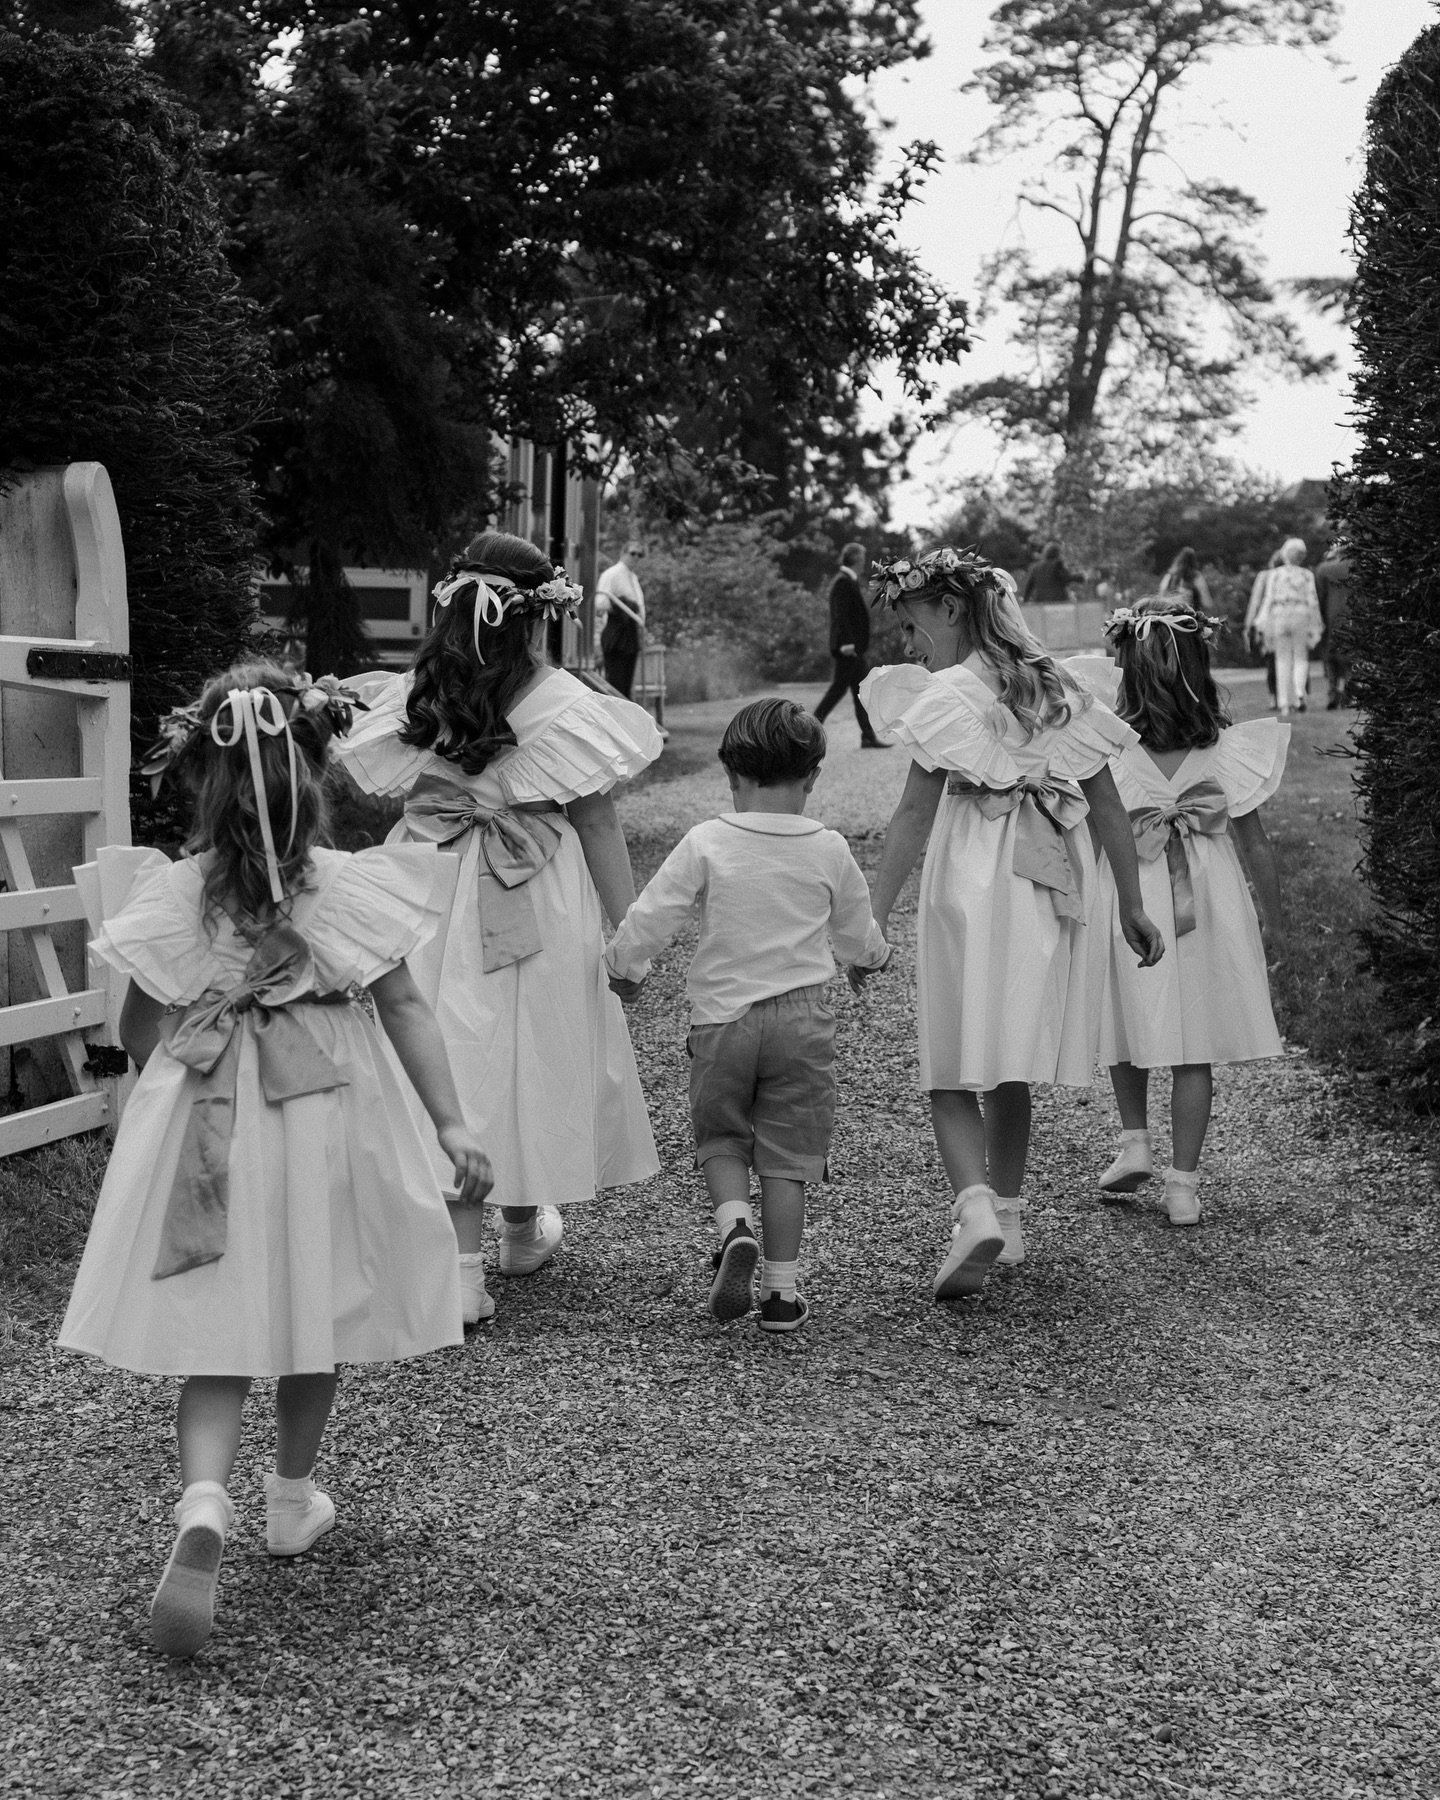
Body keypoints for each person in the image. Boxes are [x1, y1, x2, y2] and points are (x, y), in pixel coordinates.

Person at [58, 663, 494, 1659]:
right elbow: (406, 1008)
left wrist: (164, 1082)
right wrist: (452, 1126)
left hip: (209, 1118)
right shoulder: (347, 887)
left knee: (217, 1326)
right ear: (313, 769)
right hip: (323, 1114)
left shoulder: (177, 894)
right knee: (315, 1305)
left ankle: (204, 1499)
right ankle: (290, 1500)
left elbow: (136, 1025)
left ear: (200, 781)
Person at [332, 531, 662, 1316]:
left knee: (445, 1048)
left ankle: (463, 1264)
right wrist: (629, 937)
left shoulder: (415, 695)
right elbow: (597, 822)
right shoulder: (563, 704)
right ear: (538, 616)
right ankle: (508, 1237)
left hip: (428, 882)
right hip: (535, 887)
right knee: (524, 1049)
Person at [857, 547, 1165, 1300]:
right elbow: (1109, 805)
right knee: (1006, 1060)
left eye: (912, 625)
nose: (908, 645)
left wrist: (872, 918)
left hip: (971, 876)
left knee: (951, 1055)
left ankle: (975, 1210)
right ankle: (1012, 1217)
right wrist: (1131, 902)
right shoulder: (1055, 686)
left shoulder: (945, 697)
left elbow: (913, 815)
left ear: (950, 608)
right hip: (1042, 880)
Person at [604, 698, 889, 1332]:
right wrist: (871, 957)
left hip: (722, 1021)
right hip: (803, 1022)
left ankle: (735, 1226)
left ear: (732, 775)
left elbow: (654, 915)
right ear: (812, 777)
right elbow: (855, 928)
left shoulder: (707, 840)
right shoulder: (829, 847)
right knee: (788, 1157)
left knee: (722, 1136)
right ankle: (781, 1295)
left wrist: (624, 966)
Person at [1072, 601, 1288, 1225]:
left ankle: (1135, 1139)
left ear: (1127, 672)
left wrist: (1078, 907)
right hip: (1211, 901)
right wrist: (1274, 922)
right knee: (1195, 1044)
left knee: (1125, 1015)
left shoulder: (1109, 750)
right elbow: (1255, 845)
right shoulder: (1225, 750)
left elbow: (1091, 835)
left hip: (1131, 894)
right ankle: (1183, 1185)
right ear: (1199, 669)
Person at [814, 542, 885, 748]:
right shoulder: (842, 582)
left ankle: (868, 736)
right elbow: (840, 615)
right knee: (838, 689)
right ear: (856, 559)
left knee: (860, 690)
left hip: (854, 648)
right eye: (862, 558)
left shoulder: (848, 580)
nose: (864, 563)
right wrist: (846, 643)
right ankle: (808, 729)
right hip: (848, 648)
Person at [1252, 537, 1323, 718]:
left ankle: (1284, 703)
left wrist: (1261, 622)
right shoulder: (1307, 575)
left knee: (1282, 660)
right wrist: (1316, 624)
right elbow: (1313, 601)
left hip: (1280, 616)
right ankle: (1299, 694)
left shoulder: (1275, 574)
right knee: (1300, 658)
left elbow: (1268, 600)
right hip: (1301, 615)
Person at [595, 540, 646, 699]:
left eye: (640, 555)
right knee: (616, 684)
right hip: (617, 632)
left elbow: (639, 606)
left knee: (626, 685)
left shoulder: (633, 577)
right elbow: (600, 602)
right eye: (633, 553)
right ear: (623, 553)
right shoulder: (612, 574)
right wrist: (622, 606)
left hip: (631, 633)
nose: (636, 557)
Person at [1314, 541, 1352, 708]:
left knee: (1330, 656)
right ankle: (1348, 692)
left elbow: (1319, 596)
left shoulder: (1323, 569)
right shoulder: (1358, 567)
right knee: (1351, 656)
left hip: (1330, 616)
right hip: (1353, 615)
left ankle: (1332, 691)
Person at [1243, 550, 1283, 708]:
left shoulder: (1264, 576)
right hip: (1285, 623)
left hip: (1268, 625)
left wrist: (1249, 624)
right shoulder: (1293, 575)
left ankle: (1274, 697)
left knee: (1271, 661)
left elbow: (1255, 601)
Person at [1021, 541, 1080, 607]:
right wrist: (1079, 578)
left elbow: (1029, 586)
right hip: (1058, 601)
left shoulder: (1036, 568)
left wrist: (1025, 600)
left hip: (1040, 602)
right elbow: (1066, 578)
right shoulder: (1057, 564)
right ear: (1057, 553)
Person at [1158, 546, 1213, 612]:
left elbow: (1161, 596)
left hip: (1170, 613)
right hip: (1190, 613)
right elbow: (1206, 601)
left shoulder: (1170, 576)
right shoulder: (1196, 577)